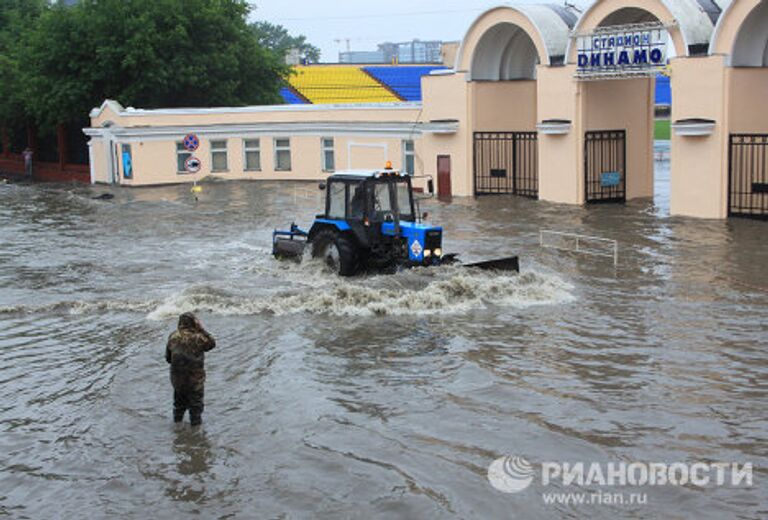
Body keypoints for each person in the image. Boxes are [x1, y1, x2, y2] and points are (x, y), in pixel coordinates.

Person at [165, 312, 216, 426]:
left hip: (177, 380)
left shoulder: (173, 336)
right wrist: (202, 329)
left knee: (178, 405)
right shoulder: (199, 337)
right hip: (194, 380)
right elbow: (212, 343)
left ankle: (177, 427)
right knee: (196, 408)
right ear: (194, 323)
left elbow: (168, 358)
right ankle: (195, 435)